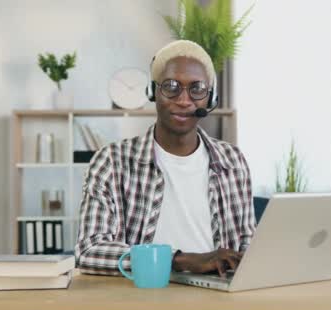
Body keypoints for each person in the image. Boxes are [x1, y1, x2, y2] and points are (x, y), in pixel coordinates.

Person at [75, 40, 255, 277]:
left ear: (210, 99)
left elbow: (247, 245)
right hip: (142, 301)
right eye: (171, 87)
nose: (183, 100)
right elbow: (89, 250)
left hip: (217, 299)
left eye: (197, 88)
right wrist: (181, 260)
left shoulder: (233, 161)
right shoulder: (111, 162)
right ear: (152, 92)